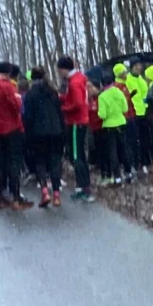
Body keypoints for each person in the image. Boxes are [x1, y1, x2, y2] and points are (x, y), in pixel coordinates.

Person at [0, 62, 33, 210]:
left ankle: (0, 196)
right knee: (14, 163)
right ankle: (16, 197)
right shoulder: (7, 86)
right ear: (7, 73)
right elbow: (17, 105)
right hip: (11, 128)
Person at [24, 67, 65, 208]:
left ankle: (45, 192)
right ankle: (57, 195)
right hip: (55, 131)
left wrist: (27, 135)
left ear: (32, 79)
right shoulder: (52, 92)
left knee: (40, 162)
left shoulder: (30, 94)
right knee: (55, 162)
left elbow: (28, 117)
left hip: (38, 133)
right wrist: (62, 130)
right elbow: (60, 112)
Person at [57, 56, 96, 203]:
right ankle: (82, 186)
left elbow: (78, 103)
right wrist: (63, 98)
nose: (59, 73)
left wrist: (63, 108)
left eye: (59, 70)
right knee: (80, 155)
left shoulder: (73, 83)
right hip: (82, 120)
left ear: (64, 69)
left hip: (75, 122)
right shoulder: (80, 78)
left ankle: (85, 189)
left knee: (76, 156)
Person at [97, 71, 131, 185]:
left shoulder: (102, 96)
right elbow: (125, 108)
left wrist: (99, 113)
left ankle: (117, 177)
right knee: (124, 149)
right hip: (121, 123)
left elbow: (103, 115)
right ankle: (128, 173)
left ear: (103, 84)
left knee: (113, 152)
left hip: (109, 127)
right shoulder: (119, 92)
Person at [112, 63, 136, 182]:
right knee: (126, 144)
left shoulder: (125, 84)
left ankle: (131, 166)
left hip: (131, 115)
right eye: (124, 72)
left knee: (131, 141)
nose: (126, 74)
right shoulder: (117, 87)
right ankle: (129, 167)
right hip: (124, 118)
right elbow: (121, 103)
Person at [127, 60, 152, 173]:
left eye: (140, 65)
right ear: (132, 67)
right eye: (136, 66)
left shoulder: (142, 80)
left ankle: (145, 161)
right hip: (134, 114)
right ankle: (136, 163)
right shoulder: (128, 80)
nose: (139, 67)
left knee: (145, 139)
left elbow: (146, 94)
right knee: (134, 140)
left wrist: (147, 106)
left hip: (144, 113)